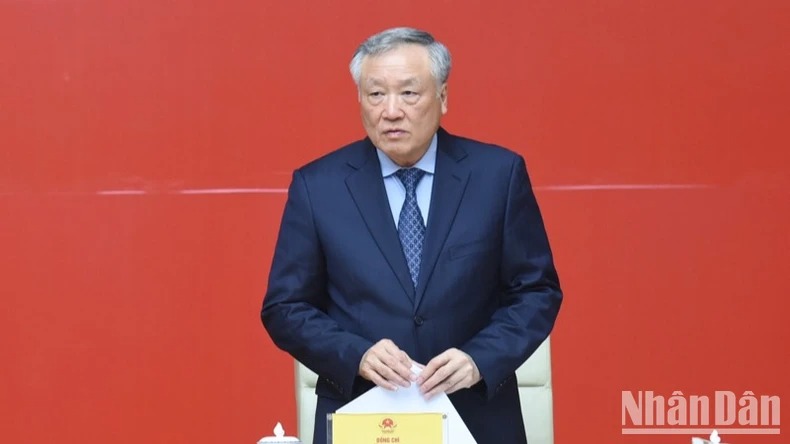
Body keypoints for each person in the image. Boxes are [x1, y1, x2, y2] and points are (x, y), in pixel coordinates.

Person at [261, 27, 562, 444]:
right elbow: (285, 308)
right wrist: (356, 354)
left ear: (442, 97)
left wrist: (478, 358)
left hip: (476, 415)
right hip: (364, 414)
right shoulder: (318, 187)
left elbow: (536, 292)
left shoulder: (497, 176)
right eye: (375, 94)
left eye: (408, 93)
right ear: (359, 100)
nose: (391, 111)